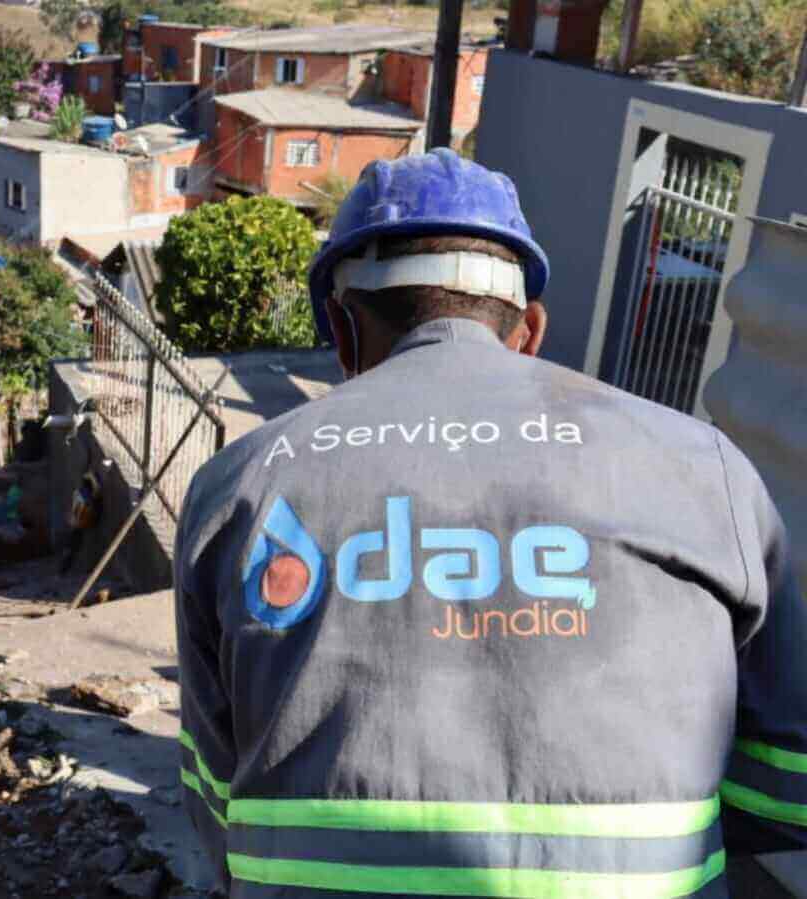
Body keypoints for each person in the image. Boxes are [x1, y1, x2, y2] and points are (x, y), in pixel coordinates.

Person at [174, 148, 805, 896]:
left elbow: (218, 802)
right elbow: (784, 787)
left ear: (343, 333)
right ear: (529, 328)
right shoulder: (706, 468)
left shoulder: (240, 483)